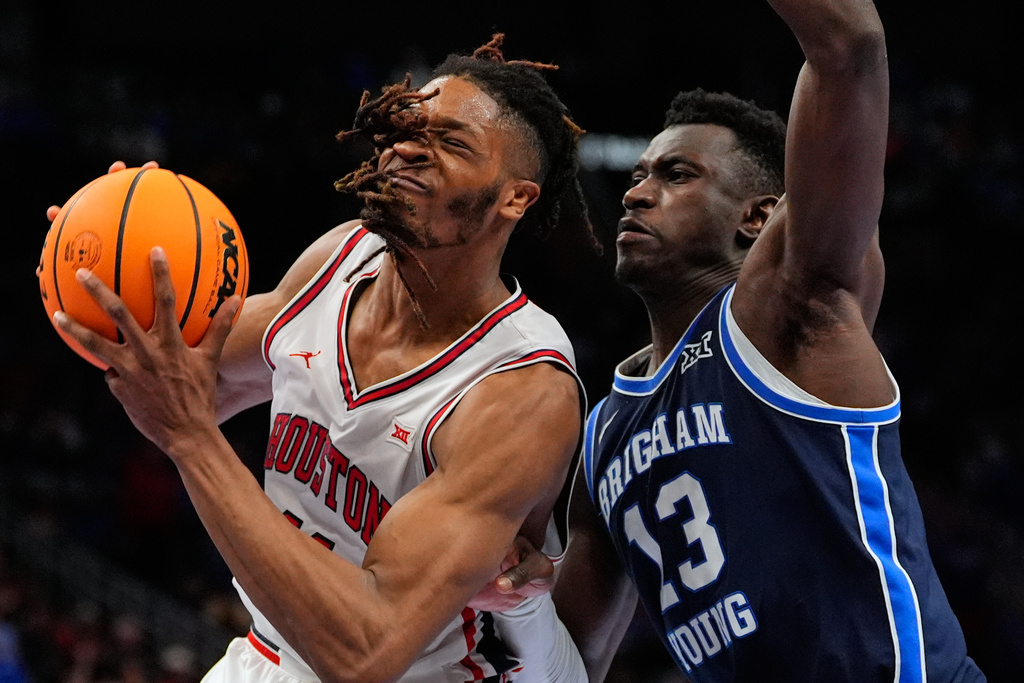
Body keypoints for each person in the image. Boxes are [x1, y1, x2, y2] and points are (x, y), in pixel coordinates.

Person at [49, 37, 592, 683]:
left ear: (516, 198)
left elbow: (367, 652)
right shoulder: (340, 257)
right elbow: (168, 378)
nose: (409, 146)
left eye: (452, 142)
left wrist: (193, 439)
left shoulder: (521, 389)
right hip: (271, 651)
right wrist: (99, 272)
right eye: (406, 127)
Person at [493, 0, 987, 680]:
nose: (636, 194)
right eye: (637, 176)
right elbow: (569, 661)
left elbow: (849, 45)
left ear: (759, 216)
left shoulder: (792, 305)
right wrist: (512, 597)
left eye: (675, 175)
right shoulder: (605, 430)